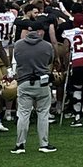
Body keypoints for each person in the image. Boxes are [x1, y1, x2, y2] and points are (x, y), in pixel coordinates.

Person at [12, 19, 58, 154]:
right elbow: (50, 61)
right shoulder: (47, 46)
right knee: (43, 114)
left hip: (24, 82)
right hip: (42, 83)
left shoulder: (18, 45)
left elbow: (16, 60)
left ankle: (20, 145)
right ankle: (44, 143)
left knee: (23, 114)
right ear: (40, 32)